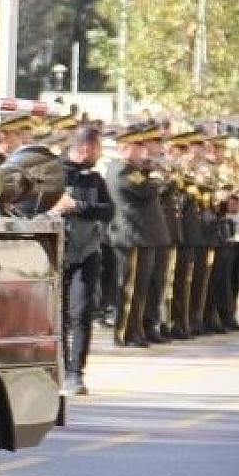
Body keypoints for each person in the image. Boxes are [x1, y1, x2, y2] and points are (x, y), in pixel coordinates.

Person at [50, 126, 115, 394]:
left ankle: (76, 372)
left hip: (87, 252)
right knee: (59, 315)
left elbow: (108, 210)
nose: (96, 153)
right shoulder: (53, 174)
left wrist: (78, 207)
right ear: (83, 147)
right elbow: (31, 205)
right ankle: (61, 368)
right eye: (95, 148)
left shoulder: (95, 179)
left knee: (81, 312)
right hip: (57, 252)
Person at [106, 122, 170, 347]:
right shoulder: (123, 170)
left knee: (141, 289)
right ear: (124, 147)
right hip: (132, 235)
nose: (142, 151)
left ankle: (137, 330)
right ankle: (125, 333)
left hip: (141, 236)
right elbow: (146, 191)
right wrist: (157, 177)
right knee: (130, 289)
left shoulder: (133, 170)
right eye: (137, 146)